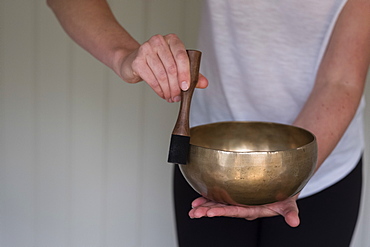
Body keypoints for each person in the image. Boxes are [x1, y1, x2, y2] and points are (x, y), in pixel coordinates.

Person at [47, 0, 370, 246]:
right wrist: (123, 55)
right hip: (205, 165)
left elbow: (340, 81)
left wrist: (292, 176)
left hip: (323, 164)